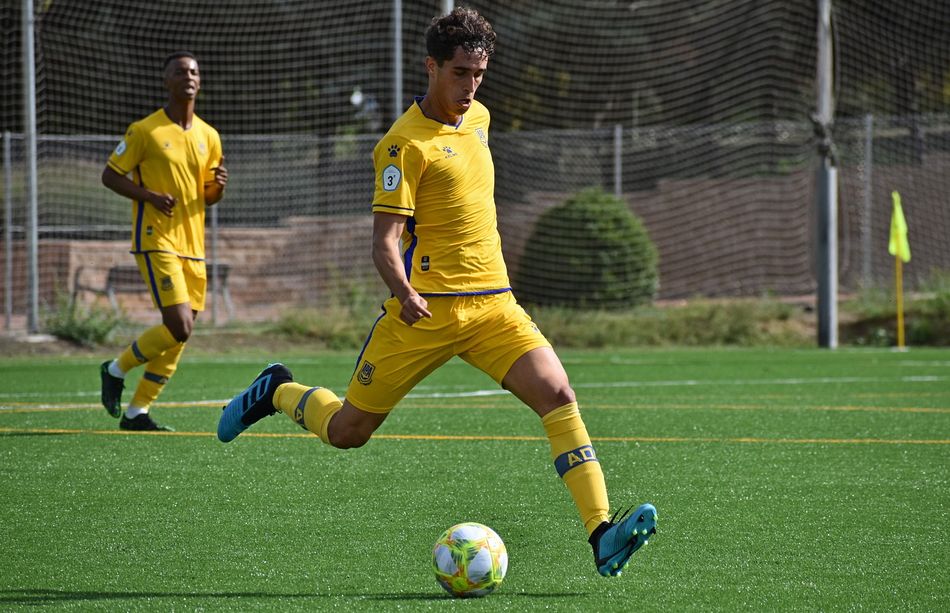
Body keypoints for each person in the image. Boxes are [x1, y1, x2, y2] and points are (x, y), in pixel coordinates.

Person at [217, 8, 655, 577]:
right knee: (348, 432)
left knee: (558, 394)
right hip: (422, 314)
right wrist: (403, 292)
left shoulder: (480, 119)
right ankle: (277, 390)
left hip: (494, 306)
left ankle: (601, 533)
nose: (471, 86)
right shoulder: (403, 146)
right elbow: (384, 240)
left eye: (479, 73)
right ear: (431, 67)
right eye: (460, 73)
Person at [99, 51, 227, 431]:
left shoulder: (209, 136)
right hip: (157, 238)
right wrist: (149, 196)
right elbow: (110, 175)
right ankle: (115, 369)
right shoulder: (145, 130)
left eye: (194, 72)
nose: (189, 77)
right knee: (179, 325)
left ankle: (137, 412)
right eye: (180, 71)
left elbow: (207, 195)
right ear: (166, 80)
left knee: (178, 336)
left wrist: (219, 188)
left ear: (200, 81)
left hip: (194, 247)